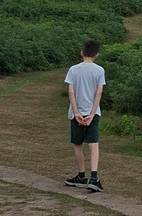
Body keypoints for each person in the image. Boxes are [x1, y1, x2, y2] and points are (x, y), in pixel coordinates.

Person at [64, 39, 106, 192]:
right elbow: (98, 92)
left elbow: (71, 91)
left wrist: (76, 112)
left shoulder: (73, 69)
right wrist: (92, 113)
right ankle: (94, 177)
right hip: (92, 113)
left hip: (76, 113)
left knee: (77, 143)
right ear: (96, 54)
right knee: (93, 144)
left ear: (82, 53)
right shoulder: (99, 70)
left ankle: (81, 175)